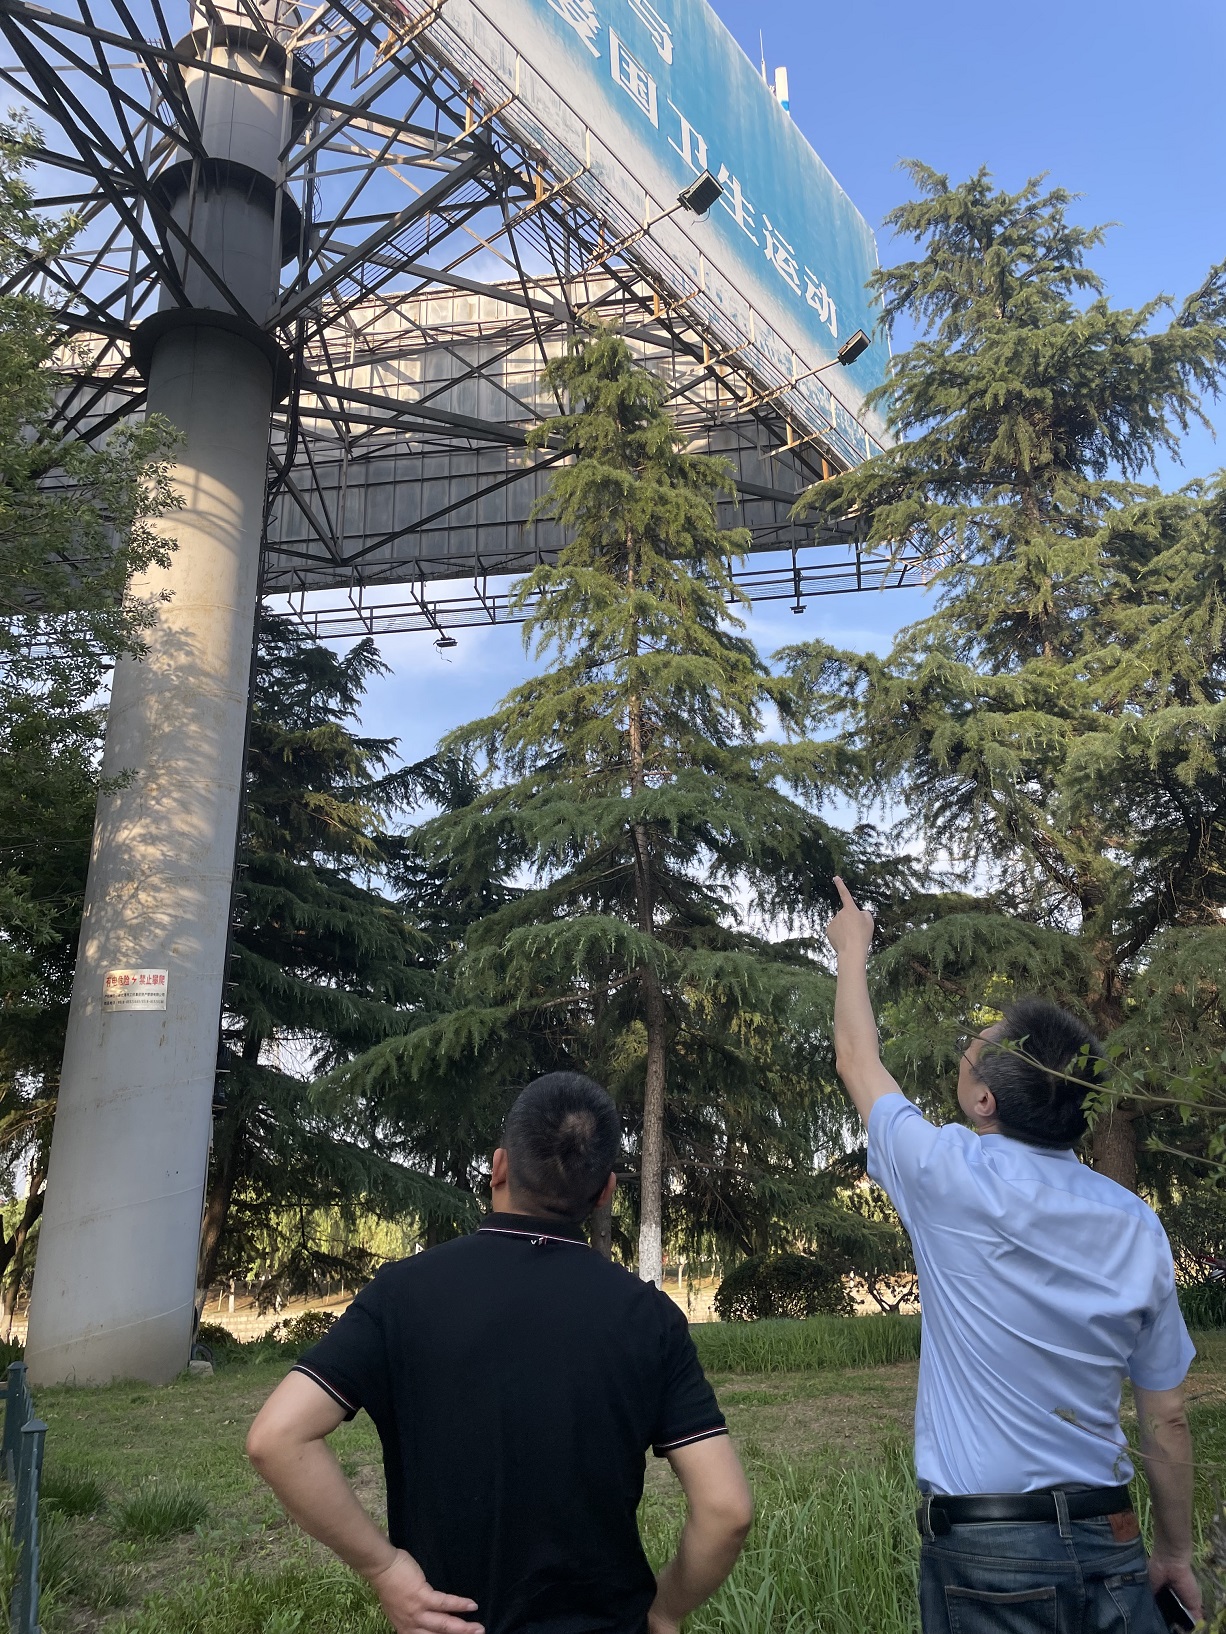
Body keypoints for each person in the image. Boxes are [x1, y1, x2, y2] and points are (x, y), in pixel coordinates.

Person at [247, 1071, 753, 1634]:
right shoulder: (650, 1318)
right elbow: (726, 1510)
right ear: (605, 1191)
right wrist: (665, 1611)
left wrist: (383, 1567)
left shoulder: (403, 1293)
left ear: (499, 1167)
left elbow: (277, 1437)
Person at [826, 876, 1201, 1634]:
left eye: (973, 1053)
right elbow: (1166, 1417)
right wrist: (1174, 1553)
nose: (967, 1054)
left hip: (988, 1551)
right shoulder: (1136, 1223)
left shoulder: (948, 1174)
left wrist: (852, 950)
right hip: (1112, 1540)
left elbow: (858, 1060)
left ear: (985, 1102)